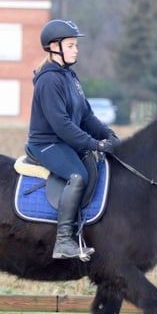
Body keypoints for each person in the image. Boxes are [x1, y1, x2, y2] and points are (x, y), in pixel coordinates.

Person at [26, 19, 120, 260]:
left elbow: (86, 115)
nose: (75, 50)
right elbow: (62, 125)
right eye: (70, 45)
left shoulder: (69, 76)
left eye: (75, 45)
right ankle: (64, 241)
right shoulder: (49, 81)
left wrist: (107, 134)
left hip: (63, 140)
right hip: (47, 143)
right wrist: (94, 144)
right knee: (77, 176)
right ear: (54, 47)